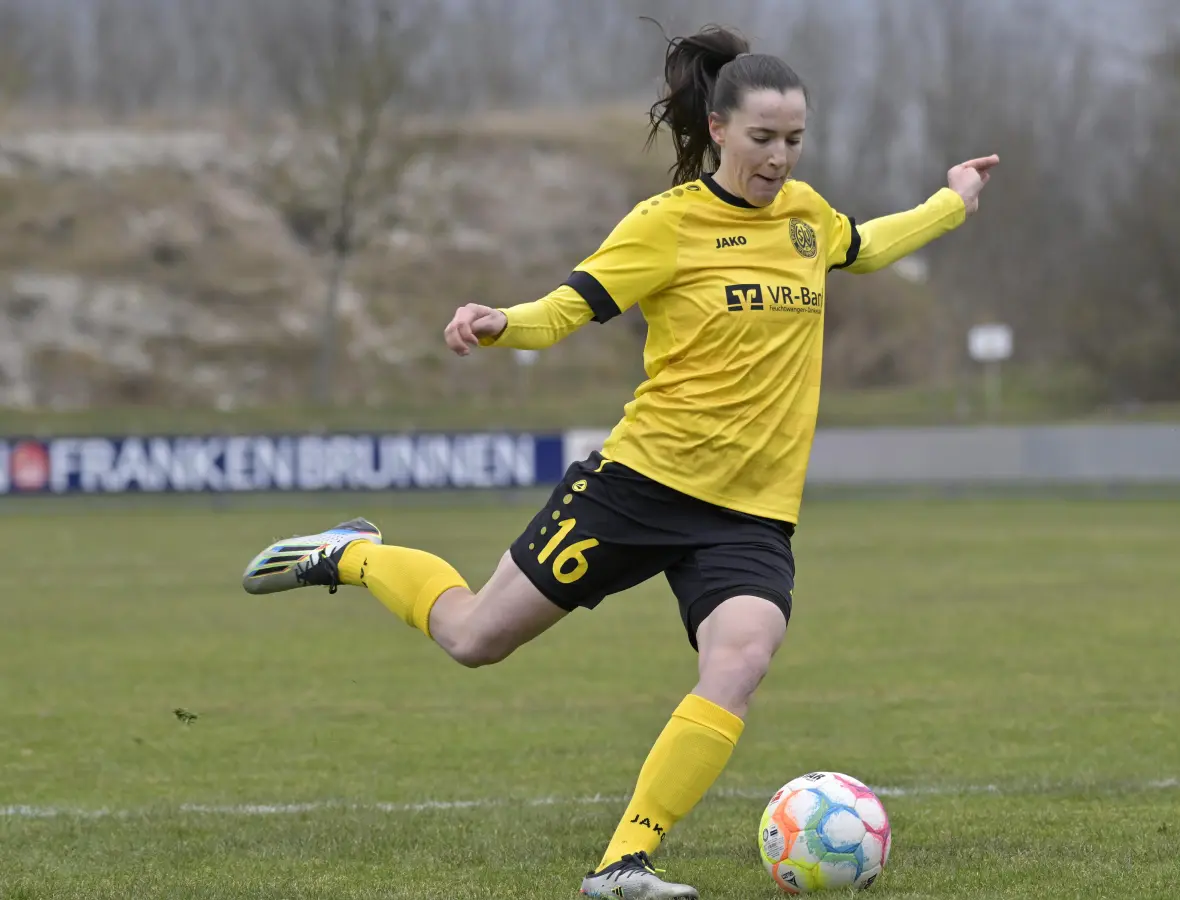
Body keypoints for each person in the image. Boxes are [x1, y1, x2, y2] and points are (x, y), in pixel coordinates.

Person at [241, 22, 996, 900]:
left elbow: (867, 245)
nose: (779, 157)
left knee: (741, 660)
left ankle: (623, 862)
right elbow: (569, 307)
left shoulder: (806, 220)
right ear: (718, 130)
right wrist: (502, 323)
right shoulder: (666, 225)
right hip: (640, 485)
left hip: (750, 514)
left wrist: (953, 201)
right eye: (762, 139)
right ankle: (355, 554)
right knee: (473, 638)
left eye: (793, 140)